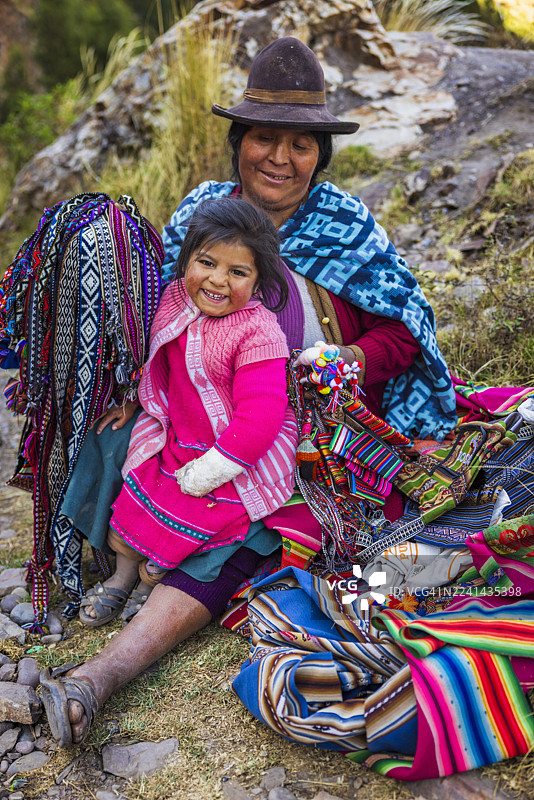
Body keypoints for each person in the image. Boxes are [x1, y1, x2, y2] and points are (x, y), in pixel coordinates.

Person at [40, 36, 457, 747]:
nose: (280, 159)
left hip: (300, 431)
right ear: (239, 142)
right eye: (265, 138)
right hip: (193, 418)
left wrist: (345, 357)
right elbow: (157, 316)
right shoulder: (203, 219)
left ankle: (104, 671)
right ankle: (121, 565)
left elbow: (405, 332)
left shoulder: (344, 228)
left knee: (258, 518)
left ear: (320, 156)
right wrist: (131, 389)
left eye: (301, 145)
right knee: (111, 443)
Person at [78, 197, 298, 626]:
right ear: (187, 260)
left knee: (196, 512)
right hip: (178, 434)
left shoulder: (257, 332)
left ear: (258, 281)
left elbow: (261, 418)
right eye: (207, 262)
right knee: (139, 495)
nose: (218, 281)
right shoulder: (174, 298)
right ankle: (122, 578)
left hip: (233, 450)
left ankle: (149, 583)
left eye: (238, 272)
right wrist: (134, 398)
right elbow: (151, 359)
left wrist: (212, 469)